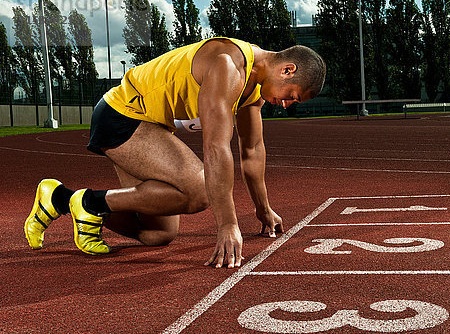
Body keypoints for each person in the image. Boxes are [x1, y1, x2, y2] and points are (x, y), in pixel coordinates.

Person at [24, 37, 326, 268]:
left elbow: (252, 150)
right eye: (292, 97)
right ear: (288, 70)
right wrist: (228, 224)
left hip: (150, 126)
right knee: (199, 191)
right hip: (122, 115)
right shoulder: (228, 64)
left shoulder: (254, 93)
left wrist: (263, 208)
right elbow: (216, 147)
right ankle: (88, 203)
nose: (287, 105)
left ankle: (60, 198)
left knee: (156, 234)